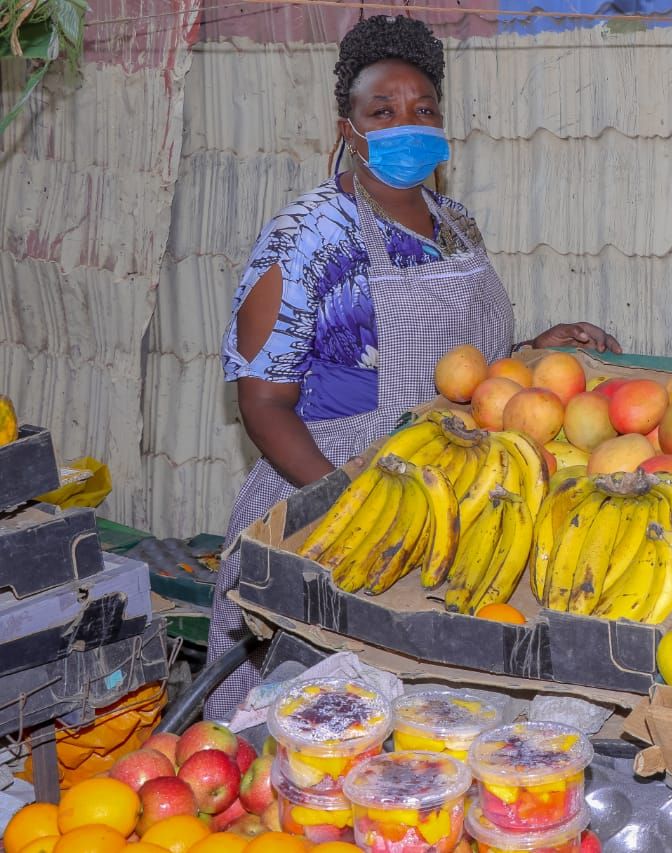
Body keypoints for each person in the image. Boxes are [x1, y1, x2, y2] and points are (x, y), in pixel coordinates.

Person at [206, 14, 620, 719]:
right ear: (347, 126)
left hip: (444, 486)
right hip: (327, 494)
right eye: (383, 110)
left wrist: (534, 351)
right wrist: (346, 501)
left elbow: (467, 370)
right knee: (308, 728)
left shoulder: (454, 221)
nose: (408, 123)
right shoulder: (307, 234)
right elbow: (263, 403)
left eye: (423, 109)